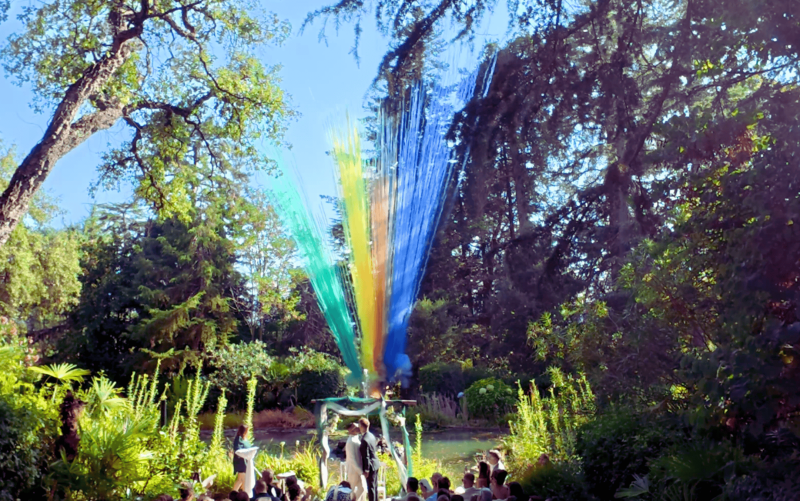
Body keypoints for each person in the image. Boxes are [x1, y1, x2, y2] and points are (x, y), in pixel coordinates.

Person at [358, 417, 380, 501]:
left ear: (362, 426)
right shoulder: (371, 436)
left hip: (370, 466)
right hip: (376, 463)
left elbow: (366, 456)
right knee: (374, 486)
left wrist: (366, 470)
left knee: (371, 488)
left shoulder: (364, 439)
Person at [345, 423, 367, 501]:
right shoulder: (350, 441)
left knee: (363, 488)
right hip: (353, 470)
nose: (358, 428)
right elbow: (352, 459)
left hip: (359, 469)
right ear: (351, 430)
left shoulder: (356, 438)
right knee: (351, 490)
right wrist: (360, 471)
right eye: (356, 428)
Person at [232, 425, 252, 491]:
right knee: (240, 479)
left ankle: (243, 495)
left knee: (244, 481)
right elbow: (237, 450)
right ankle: (233, 494)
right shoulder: (238, 439)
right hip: (240, 463)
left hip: (247, 461)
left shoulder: (245, 439)